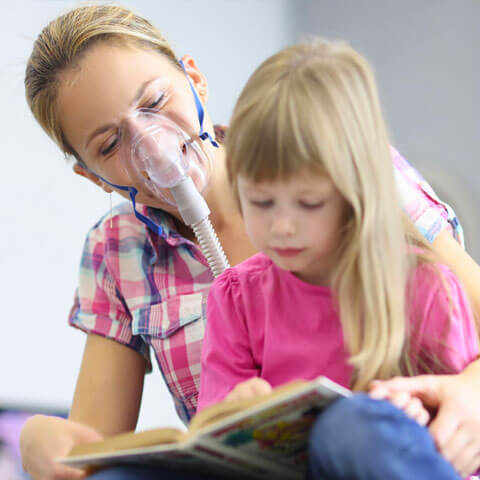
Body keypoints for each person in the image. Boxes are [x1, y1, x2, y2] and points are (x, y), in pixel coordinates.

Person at [18, 4, 480, 480]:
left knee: (351, 433)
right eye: (110, 144)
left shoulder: (340, 166)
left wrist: (471, 393)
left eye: (154, 102)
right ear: (91, 176)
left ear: (193, 78)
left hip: (371, 449)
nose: (151, 144)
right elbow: (92, 450)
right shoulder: (121, 250)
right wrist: (39, 440)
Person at [197, 38, 478, 480]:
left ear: (356, 193)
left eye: (308, 203)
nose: (282, 226)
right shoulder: (235, 297)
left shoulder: (424, 288)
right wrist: (233, 414)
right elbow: (209, 437)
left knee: (352, 428)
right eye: (261, 202)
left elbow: (459, 440)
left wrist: (415, 415)